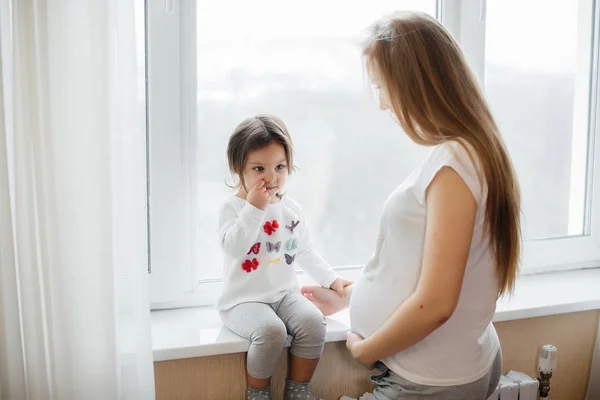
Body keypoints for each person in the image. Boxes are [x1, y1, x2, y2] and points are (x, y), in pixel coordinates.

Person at [301, 11, 521, 400]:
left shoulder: (456, 165)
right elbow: (429, 266)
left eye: (383, 87)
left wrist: (367, 351)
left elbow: (436, 302)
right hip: (446, 367)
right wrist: (351, 297)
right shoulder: (470, 154)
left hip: (429, 380)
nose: (384, 104)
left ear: (415, 85)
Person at [217, 114, 353, 400]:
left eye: (279, 167)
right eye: (259, 168)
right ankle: (257, 393)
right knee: (270, 332)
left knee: (314, 323)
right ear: (238, 169)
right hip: (242, 300)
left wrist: (331, 279)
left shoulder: (290, 209)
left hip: (283, 295)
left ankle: (298, 390)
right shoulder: (233, 209)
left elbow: (304, 250)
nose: (271, 176)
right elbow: (234, 248)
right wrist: (254, 209)